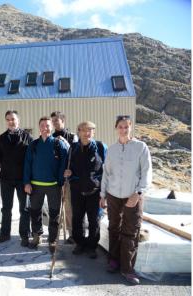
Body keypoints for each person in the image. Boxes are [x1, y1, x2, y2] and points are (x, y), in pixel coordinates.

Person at [100, 115, 152, 285]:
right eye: (120, 127)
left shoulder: (140, 147)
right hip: (114, 195)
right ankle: (113, 261)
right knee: (114, 228)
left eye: (126, 126)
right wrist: (103, 195)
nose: (123, 129)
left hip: (133, 196)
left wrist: (138, 193)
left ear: (130, 128)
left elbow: (147, 172)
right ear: (116, 128)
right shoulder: (112, 150)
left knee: (131, 231)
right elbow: (106, 173)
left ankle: (128, 269)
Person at [23, 116, 68, 253]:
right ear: (39, 127)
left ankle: (52, 239)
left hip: (53, 185)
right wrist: (26, 182)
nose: (45, 128)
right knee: (35, 212)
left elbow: (63, 163)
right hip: (36, 185)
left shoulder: (57, 144)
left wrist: (61, 181)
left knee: (54, 214)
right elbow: (27, 164)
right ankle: (37, 236)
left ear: (51, 127)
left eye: (47, 125)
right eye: (42, 125)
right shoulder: (34, 145)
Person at [64, 121, 107, 259]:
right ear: (79, 131)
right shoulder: (73, 148)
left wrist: (104, 192)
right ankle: (80, 243)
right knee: (77, 218)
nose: (86, 133)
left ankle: (91, 246)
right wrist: (68, 173)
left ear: (93, 132)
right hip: (77, 189)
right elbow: (68, 167)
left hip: (94, 190)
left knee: (94, 220)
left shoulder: (100, 147)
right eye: (83, 130)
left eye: (90, 130)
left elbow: (106, 170)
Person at [0, 110, 33, 247]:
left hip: (22, 179)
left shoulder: (27, 137)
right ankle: (5, 234)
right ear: (6, 121)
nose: (11, 121)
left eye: (13, 119)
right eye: (8, 119)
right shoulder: (1, 138)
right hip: (6, 178)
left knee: (24, 208)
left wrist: (28, 179)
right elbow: (0, 157)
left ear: (18, 120)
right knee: (6, 208)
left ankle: (24, 235)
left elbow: (31, 159)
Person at [51, 110, 78, 244]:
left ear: (63, 120)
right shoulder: (51, 137)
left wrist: (65, 143)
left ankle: (72, 233)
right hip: (56, 178)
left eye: (57, 120)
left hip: (68, 178)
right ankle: (54, 232)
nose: (55, 123)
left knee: (69, 207)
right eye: (53, 121)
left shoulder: (72, 136)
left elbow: (76, 154)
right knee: (56, 206)